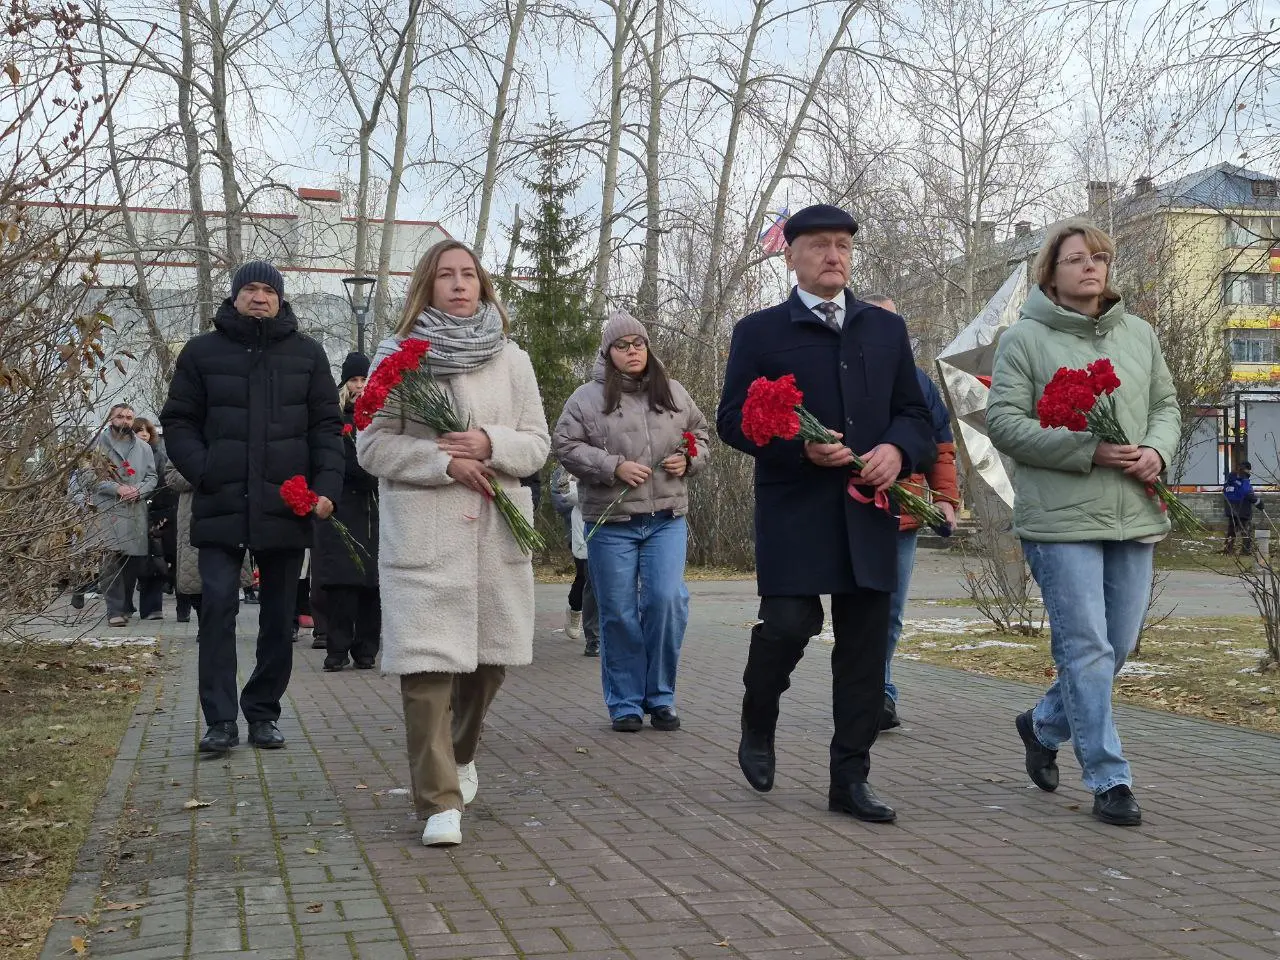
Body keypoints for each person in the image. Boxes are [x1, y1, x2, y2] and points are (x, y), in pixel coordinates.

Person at [716, 204, 934, 824]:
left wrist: (896, 449)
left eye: (842, 245)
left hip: (868, 511)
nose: (833, 255)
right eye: (819, 246)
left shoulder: (884, 330)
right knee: (789, 624)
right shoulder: (759, 332)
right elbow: (733, 418)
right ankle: (758, 716)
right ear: (790, 255)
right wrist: (798, 446)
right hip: (795, 508)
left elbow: (914, 414)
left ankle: (850, 778)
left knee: (865, 649)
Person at [987, 220, 1180, 827]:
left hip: (1134, 509)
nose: (1090, 267)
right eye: (1075, 258)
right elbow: (1006, 424)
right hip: (1060, 518)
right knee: (1087, 648)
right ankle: (1109, 777)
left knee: (1116, 646)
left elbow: (1166, 406)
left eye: (1098, 257)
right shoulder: (1024, 339)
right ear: (1052, 271)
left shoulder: (1139, 334)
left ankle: (1042, 724)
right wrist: (1085, 448)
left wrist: (1156, 450)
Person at [356, 239, 549, 847]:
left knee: (487, 668)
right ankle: (438, 801)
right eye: (447, 275)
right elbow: (371, 446)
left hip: (495, 535)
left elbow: (537, 444)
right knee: (427, 671)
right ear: (427, 285)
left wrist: (489, 445)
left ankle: (461, 753)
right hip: (427, 535)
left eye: (470, 274)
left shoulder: (513, 359)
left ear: (484, 285)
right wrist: (441, 460)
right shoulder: (399, 358)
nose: (460, 284)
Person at [161, 260, 345, 754]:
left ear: (281, 299)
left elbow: (327, 428)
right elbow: (177, 421)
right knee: (217, 608)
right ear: (236, 295)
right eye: (251, 289)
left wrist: (326, 486)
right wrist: (207, 469)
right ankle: (219, 719)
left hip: (285, 506)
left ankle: (263, 712)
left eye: (269, 289)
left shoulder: (308, 355)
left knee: (279, 614)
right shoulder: (202, 352)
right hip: (221, 503)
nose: (260, 297)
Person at [554, 311, 710, 733]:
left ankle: (660, 696)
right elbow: (564, 445)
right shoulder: (586, 398)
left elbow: (701, 434)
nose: (632, 351)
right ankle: (624, 702)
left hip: (666, 518)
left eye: (638, 343)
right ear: (608, 353)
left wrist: (690, 458)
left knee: (666, 601)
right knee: (619, 612)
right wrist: (612, 466)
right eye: (622, 346)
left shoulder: (672, 392)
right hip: (612, 522)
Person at [859, 295, 960, 731]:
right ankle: (862, 691)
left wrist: (944, 500)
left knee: (891, 610)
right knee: (860, 609)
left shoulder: (918, 382)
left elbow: (940, 446)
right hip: (852, 511)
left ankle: (877, 692)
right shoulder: (843, 375)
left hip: (903, 513)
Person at [313, 352, 381, 672]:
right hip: (343, 505)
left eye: (363, 379)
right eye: (353, 380)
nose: (358, 386)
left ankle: (367, 647)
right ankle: (337, 647)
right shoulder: (336, 419)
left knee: (371, 582)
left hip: (373, 508)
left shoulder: (380, 417)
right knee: (342, 581)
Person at [90, 404, 158, 627]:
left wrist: (138, 490)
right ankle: (114, 610)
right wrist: (116, 488)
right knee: (110, 562)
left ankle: (126, 605)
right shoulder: (97, 444)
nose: (126, 421)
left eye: (129, 417)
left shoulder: (143, 448)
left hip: (134, 509)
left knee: (131, 563)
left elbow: (152, 477)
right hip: (109, 509)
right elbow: (89, 477)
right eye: (120, 417)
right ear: (110, 418)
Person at [550, 463, 600, 656]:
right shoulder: (567, 466)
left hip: (614, 525)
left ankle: (606, 633)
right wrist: (588, 498)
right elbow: (560, 497)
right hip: (578, 529)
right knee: (587, 578)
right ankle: (589, 631)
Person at [127, 417, 174, 621]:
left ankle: (153, 608)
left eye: (147, 430)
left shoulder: (159, 455)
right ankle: (125, 605)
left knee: (154, 560)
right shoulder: (127, 454)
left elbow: (165, 486)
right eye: (139, 430)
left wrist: (163, 515)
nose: (144, 433)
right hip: (130, 512)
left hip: (154, 513)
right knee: (129, 562)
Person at [166, 461, 201, 623]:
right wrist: (202, 475)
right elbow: (171, 476)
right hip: (191, 515)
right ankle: (204, 624)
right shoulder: (185, 439)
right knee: (193, 575)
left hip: (228, 512)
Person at [1223, 461, 1259, 555]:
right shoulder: (1244, 478)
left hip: (1231, 508)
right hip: (1243, 509)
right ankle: (1245, 551)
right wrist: (1258, 502)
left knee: (1231, 530)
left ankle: (1228, 549)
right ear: (1247, 469)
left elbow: (1225, 490)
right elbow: (1247, 493)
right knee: (1245, 530)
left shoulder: (1230, 477)